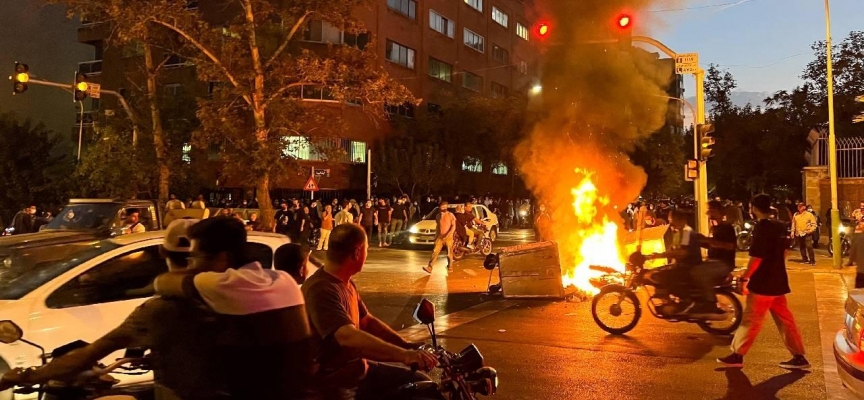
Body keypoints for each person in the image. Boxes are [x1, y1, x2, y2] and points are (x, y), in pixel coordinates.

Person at [0, 219, 241, 399]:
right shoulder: (239, 297)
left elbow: (89, 354)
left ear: (162, 251)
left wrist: (25, 376)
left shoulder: (161, 309)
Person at [154, 217, 315, 398]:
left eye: (195, 256)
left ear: (222, 258)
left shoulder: (223, 284)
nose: (191, 264)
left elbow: (163, 282)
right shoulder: (284, 280)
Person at [302, 224, 437, 399]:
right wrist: (404, 356)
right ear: (357, 252)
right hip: (337, 385)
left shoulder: (344, 282)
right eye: (366, 249)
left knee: (422, 385)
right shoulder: (321, 289)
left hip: (359, 371)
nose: (367, 254)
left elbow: (367, 321)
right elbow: (347, 336)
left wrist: (407, 345)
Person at [717, 194, 809, 369]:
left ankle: (737, 355)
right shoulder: (778, 226)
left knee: (751, 320)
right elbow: (784, 252)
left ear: (754, 208)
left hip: (763, 283)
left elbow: (757, 257)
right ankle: (798, 356)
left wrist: (745, 277)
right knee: (785, 320)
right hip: (778, 281)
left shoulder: (762, 228)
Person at [690, 200, 737, 319]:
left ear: (720, 212)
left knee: (699, 273)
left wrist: (707, 240)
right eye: (709, 211)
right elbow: (711, 245)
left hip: (723, 264)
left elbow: (729, 246)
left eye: (712, 211)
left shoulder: (727, 227)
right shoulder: (714, 228)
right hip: (712, 262)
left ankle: (711, 303)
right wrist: (698, 242)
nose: (710, 214)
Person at [424, 201, 456, 274]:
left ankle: (450, 266)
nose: (443, 208)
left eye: (445, 206)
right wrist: (436, 236)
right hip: (440, 237)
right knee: (435, 252)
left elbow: (453, 226)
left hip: (448, 237)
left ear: (447, 207)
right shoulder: (438, 215)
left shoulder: (451, 215)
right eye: (442, 206)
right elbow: (438, 226)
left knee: (449, 253)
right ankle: (430, 267)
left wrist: (450, 233)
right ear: (440, 207)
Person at [846, 221, 864, 288]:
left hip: (861, 271)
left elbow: (852, 251)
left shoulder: (858, 238)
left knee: (859, 294)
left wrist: (850, 261)